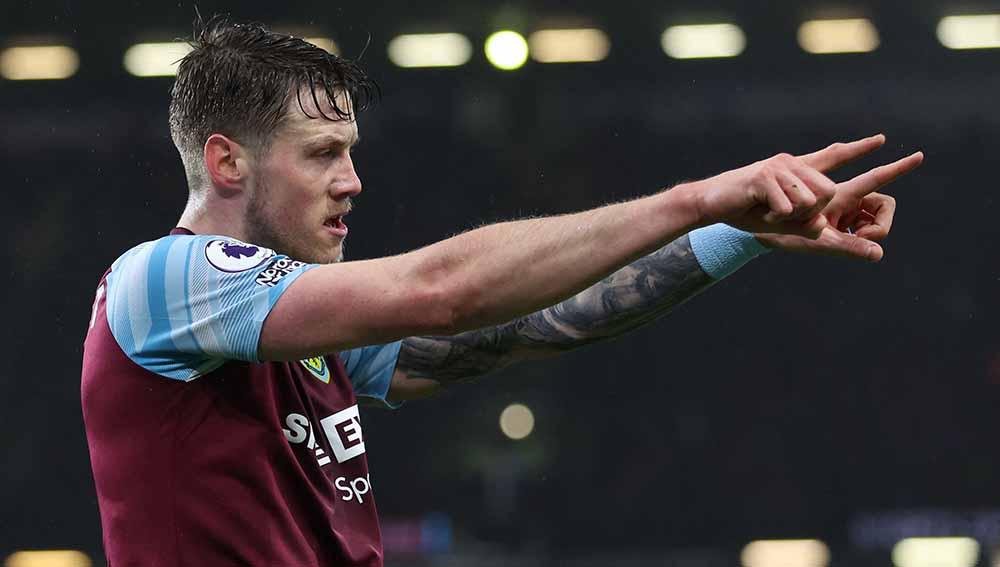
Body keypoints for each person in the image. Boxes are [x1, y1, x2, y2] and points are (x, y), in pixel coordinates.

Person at [80, 16, 923, 567]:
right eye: (323, 153)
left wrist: (739, 232)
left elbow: (537, 323)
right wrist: (696, 197)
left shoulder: (299, 326)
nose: (353, 181)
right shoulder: (163, 279)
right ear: (227, 161)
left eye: (351, 151)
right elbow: (443, 290)